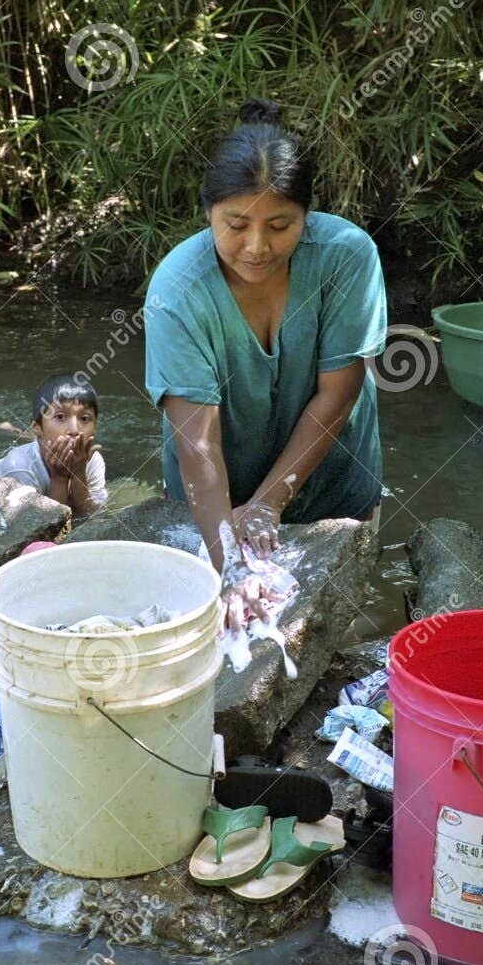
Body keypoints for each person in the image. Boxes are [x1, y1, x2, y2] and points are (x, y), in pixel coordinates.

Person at [143, 97, 386, 599]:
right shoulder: (178, 288)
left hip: (332, 482)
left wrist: (268, 504)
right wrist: (229, 564)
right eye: (235, 225)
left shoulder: (346, 257)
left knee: (346, 622)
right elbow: (198, 442)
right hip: (212, 495)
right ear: (208, 211)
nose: (257, 247)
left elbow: (338, 395)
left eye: (280, 227)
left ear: (307, 215)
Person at [0, 374, 108, 519]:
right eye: (60, 417)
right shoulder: (19, 469)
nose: (75, 430)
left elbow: (92, 516)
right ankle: (5, 429)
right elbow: (41, 529)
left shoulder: (93, 461)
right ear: (37, 427)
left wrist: (78, 474)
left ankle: (9, 428)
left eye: (85, 418)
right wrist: (59, 478)